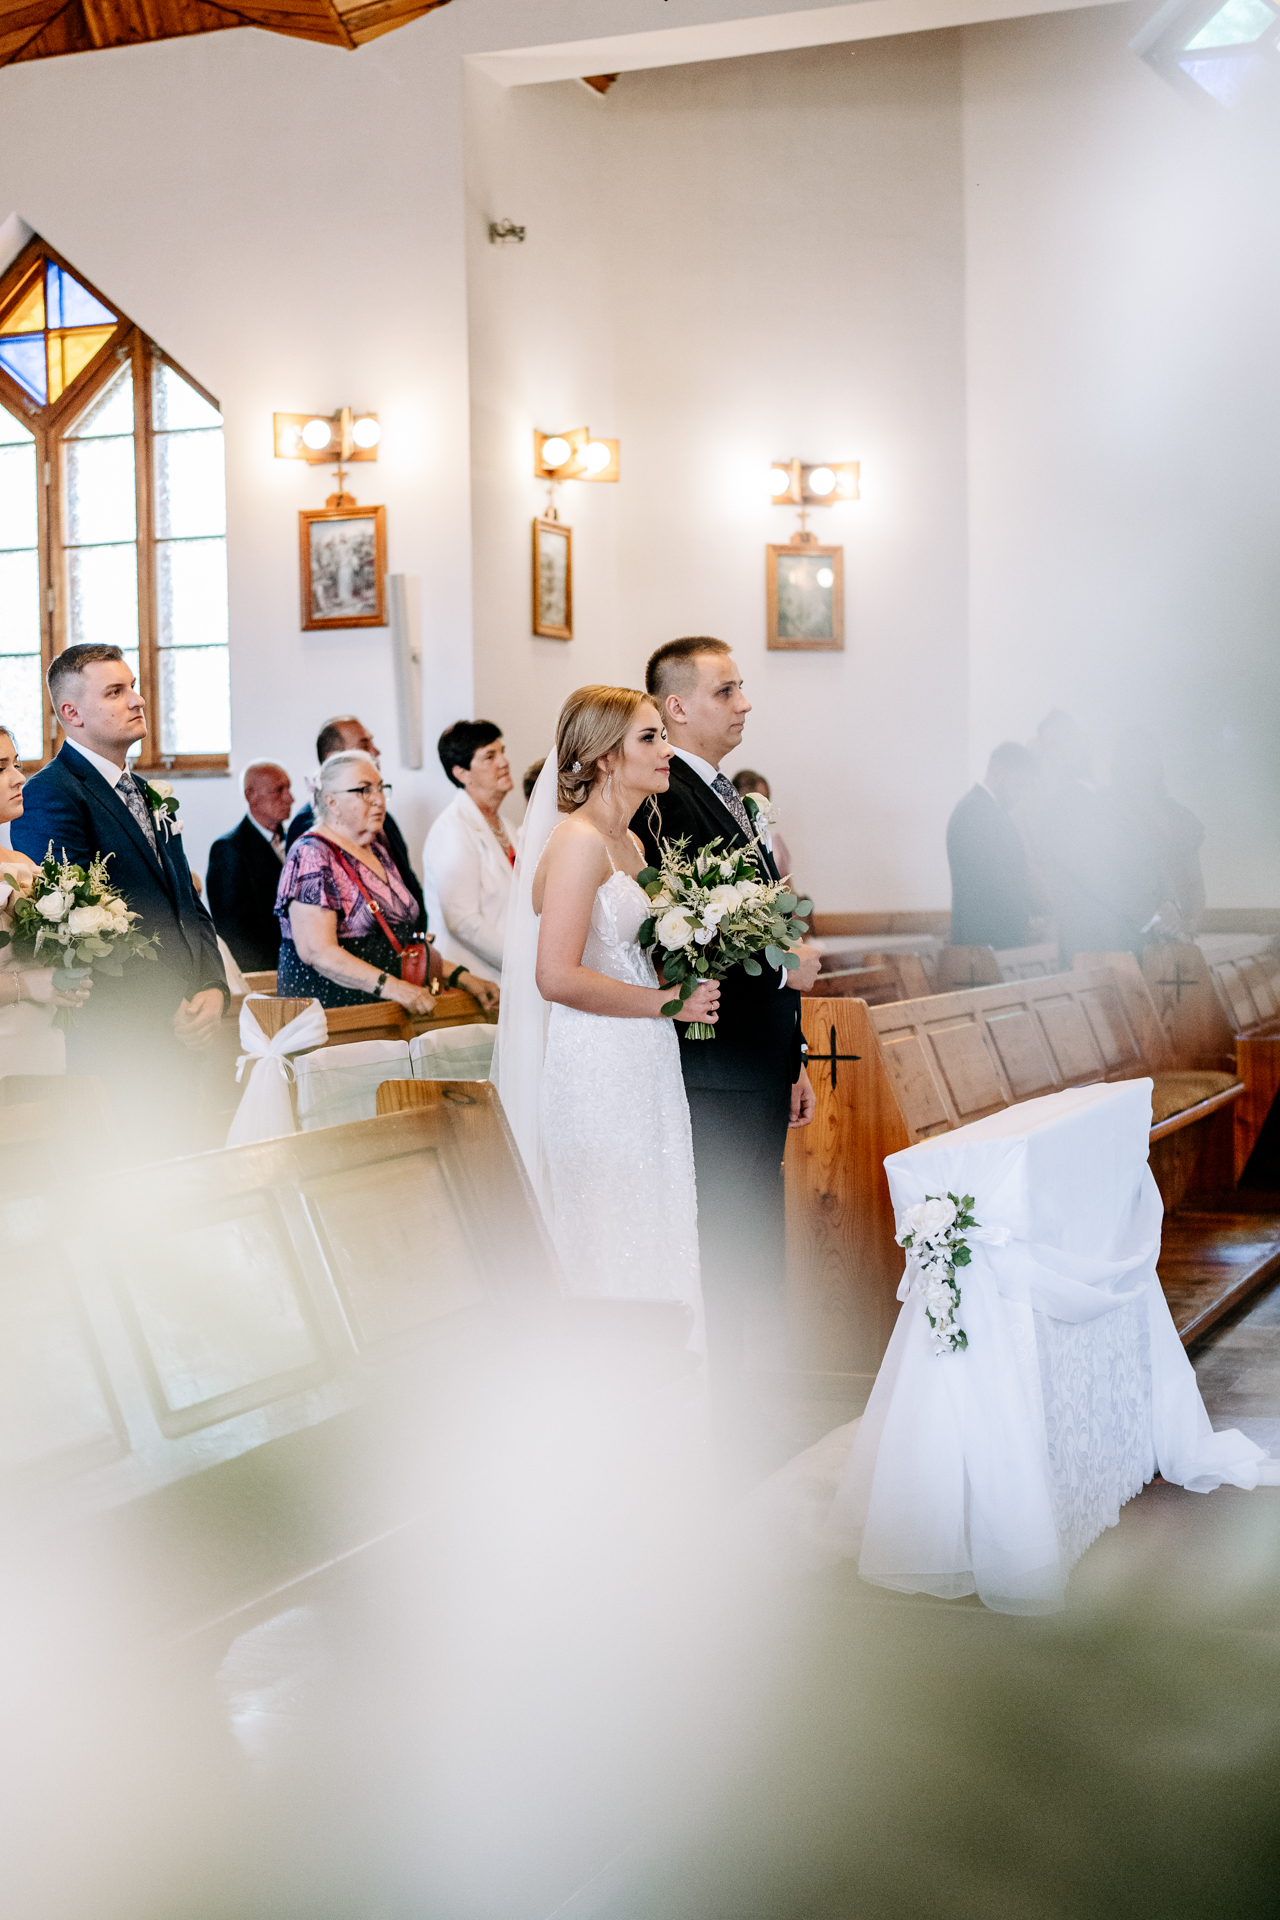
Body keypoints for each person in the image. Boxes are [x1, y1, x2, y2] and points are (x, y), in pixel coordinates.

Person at [632, 636, 820, 1475]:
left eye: (742, 689)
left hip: (757, 1056)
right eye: (727, 690)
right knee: (724, 1242)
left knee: (750, 1241)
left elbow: (763, 918)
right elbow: (678, 938)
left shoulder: (731, 797)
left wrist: (796, 1053)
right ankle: (726, 1425)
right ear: (677, 707)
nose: (744, 704)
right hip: (713, 1062)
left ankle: (748, 1413)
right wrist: (779, 974)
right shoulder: (663, 798)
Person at [495, 686, 717, 1338]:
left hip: (644, 1055)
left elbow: (625, 958)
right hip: (596, 1063)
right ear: (603, 757)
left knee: (658, 1215)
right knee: (611, 1227)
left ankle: (669, 1367)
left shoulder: (633, 845)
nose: (666, 749)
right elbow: (555, 976)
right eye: (650, 737)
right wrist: (666, 1002)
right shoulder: (578, 841)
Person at [10, 645, 227, 1105]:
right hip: (120, 1035)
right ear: (72, 713)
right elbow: (76, 927)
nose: (137, 700)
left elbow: (187, 903)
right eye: (115, 691)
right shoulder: (51, 795)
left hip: (183, 1027)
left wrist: (212, 987)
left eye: (133, 686)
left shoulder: (148, 793)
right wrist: (169, 1002)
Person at [277, 749, 498, 1013]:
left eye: (381, 788)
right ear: (331, 802)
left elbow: (399, 943)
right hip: (336, 1015)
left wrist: (464, 978)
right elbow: (318, 951)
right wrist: (394, 988)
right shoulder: (312, 854)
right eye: (364, 790)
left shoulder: (376, 850)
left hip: (388, 1012)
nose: (379, 800)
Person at [1029, 709, 1160, 963]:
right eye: (1054, 746)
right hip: (1094, 952)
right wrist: (1151, 916)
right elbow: (1098, 875)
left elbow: (1146, 856)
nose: (1064, 750)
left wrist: (1168, 902)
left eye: (1068, 738)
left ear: (1083, 740)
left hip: (1124, 944)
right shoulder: (1060, 809)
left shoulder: (1107, 798)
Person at [0, 723, 92, 1074]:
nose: (19, 779)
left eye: (17, 765)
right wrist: (27, 985)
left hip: (43, 1046)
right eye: (0, 769)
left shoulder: (22, 863)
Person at [285, 713, 426, 933]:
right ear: (334, 757)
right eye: (365, 745)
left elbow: (406, 878)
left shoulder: (382, 818)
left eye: (379, 789)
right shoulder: (309, 828)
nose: (376, 751)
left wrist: (417, 934)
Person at [420, 721, 515, 987]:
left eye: (502, 752)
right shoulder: (452, 829)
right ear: (461, 773)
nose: (504, 762)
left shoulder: (507, 826)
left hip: (507, 976)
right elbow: (462, 921)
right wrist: (523, 964)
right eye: (489, 756)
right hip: (474, 979)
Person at [1107, 730, 1205, 937]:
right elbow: (1117, 883)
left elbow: (1195, 882)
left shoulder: (1180, 816)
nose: (1144, 763)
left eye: (1149, 755)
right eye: (1135, 756)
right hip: (1138, 933)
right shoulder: (1112, 816)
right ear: (1120, 765)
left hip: (1182, 934)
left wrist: (1191, 923)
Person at [945, 742, 1041, 949]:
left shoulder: (989, 810)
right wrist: (1027, 917)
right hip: (983, 941)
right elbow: (990, 878)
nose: (1021, 794)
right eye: (1019, 784)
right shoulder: (974, 811)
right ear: (997, 772)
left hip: (997, 937)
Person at [206, 760, 294, 973]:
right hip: (268, 972)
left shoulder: (297, 840)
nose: (290, 798)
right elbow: (233, 932)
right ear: (250, 795)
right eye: (278, 790)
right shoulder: (230, 849)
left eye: (288, 788)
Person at [731, 769, 794, 884]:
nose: (765, 807)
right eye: (758, 800)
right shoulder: (727, 837)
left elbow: (786, 883)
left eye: (766, 799)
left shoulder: (773, 838)